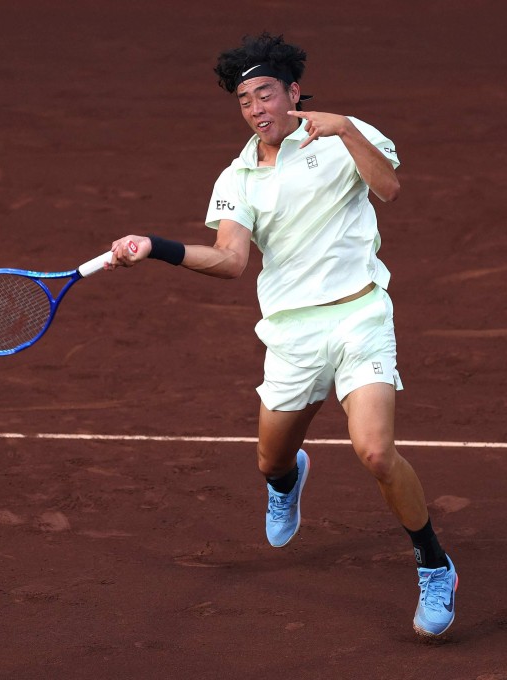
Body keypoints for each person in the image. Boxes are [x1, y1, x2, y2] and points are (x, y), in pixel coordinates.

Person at [106, 32, 457, 638]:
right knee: (270, 458)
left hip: (359, 317)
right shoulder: (238, 177)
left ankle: (433, 563)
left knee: (375, 450)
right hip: (292, 335)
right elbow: (231, 260)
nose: (256, 109)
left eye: (265, 93)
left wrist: (345, 128)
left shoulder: (342, 136)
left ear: (292, 92)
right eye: (245, 101)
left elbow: (389, 188)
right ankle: (287, 478)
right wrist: (153, 247)